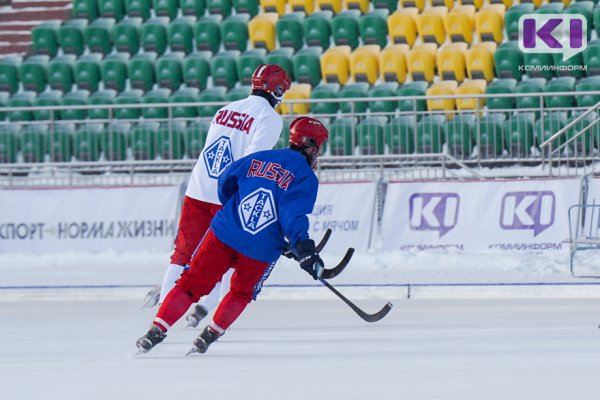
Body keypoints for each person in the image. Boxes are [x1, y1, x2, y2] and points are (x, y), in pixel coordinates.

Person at [136, 116, 329, 355]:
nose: (317, 154)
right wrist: (304, 249)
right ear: (309, 145)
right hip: (261, 247)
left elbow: (226, 183)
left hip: (224, 232)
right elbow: (293, 217)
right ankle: (210, 334)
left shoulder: (260, 157)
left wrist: (233, 211)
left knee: (190, 283)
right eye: (317, 148)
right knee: (241, 292)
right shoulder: (306, 177)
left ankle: (156, 330)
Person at [142, 64, 291, 327]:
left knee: (182, 254)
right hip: (226, 194)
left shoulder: (225, 109)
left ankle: (161, 318)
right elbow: (250, 163)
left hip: (198, 186)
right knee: (228, 255)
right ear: (277, 89)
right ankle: (213, 317)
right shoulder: (270, 118)